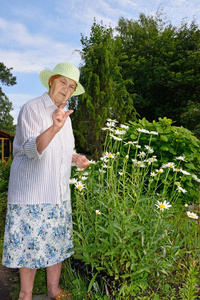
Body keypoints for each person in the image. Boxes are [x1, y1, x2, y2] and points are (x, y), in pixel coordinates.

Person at [2, 62, 90, 300]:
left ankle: (54, 290)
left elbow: (62, 152)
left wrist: (76, 158)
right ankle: (25, 294)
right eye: (63, 82)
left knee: (56, 243)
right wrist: (54, 127)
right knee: (28, 247)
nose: (66, 89)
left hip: (57, 191)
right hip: (31, 192)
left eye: (72, 87)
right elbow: (32, 149)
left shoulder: (67, 117)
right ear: (51, 81)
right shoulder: (32, 108)